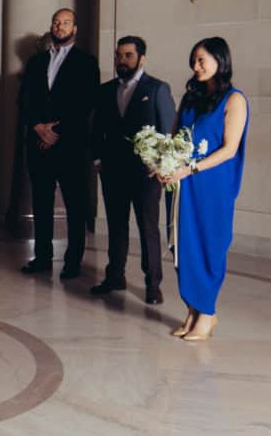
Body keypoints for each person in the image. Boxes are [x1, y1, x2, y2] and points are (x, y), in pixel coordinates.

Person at [160, 37, 248, 342]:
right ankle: (193, 310)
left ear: (220, 61)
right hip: (181, 185)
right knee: (180, 246)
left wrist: (191, 168)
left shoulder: (234, 100)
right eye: (194, 60)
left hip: (210, 185)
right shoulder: (190, 98)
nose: (196, 66)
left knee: (209, 245)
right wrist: (162, 164)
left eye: (202, 60)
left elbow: (229, 149)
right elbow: (173, 138)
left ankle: (207, 313)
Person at [90, 36, 175, 304]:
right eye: (118, 55)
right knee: (116, 226)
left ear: (141, 58)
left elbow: (168, 132)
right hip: (112, 171)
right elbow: (96, 129)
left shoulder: (158, 89)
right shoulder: (105, 90)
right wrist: (97, 160)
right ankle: (115, 275)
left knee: (148, 227)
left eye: (127, 55)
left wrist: (161, 166)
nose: (121, 61)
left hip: (145, 175)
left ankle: (153, 285)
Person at [17, 8, 99, 280]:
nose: (60, 26)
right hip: (38, 143)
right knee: (41, 202)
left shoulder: (87, 62)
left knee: (76, 205)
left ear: (75, 28)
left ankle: (73, 261)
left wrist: (56, 130)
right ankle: (42, 257)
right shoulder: (35, 62)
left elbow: (86, 104)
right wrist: (38, 127)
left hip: (70, 146)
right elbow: (24, 101)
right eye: (56, 22)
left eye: (66, 23)